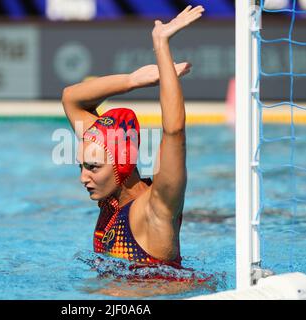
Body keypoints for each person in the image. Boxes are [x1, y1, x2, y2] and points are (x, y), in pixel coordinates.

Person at [62, 6, 205, 268]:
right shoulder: (110, 198)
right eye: (82, 166)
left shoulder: (156, 210)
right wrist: (132, 79)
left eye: (93, 167)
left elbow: (174, 132)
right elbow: (71, 97)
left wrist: (161, 45)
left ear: (122, 164)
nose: (83, 177)